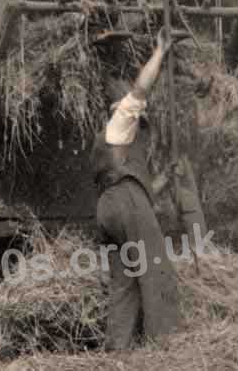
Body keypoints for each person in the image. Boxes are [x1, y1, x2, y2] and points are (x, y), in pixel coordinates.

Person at [92, 28, 180, 351]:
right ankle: (166, 348)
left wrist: (163, 181)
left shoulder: (106, 140)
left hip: (109, 207)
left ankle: (118, 352)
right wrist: (160, 51)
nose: (140, 113)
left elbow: (125, 184)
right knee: (157, 270)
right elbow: (143, 87)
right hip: (126, 203)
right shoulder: (120, 121)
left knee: (125, 282)